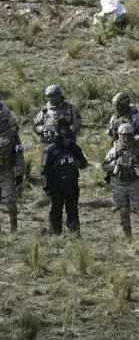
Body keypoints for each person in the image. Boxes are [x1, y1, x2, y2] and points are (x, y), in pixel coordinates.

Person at [38, 88, 84, 236]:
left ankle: (74, 231)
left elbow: (78, 123)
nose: (52, 99)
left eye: (54, 96)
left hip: (69, 157)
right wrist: (43, 130)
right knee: (56, 206)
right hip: (51, 149)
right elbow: (35, 125)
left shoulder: (70, 109)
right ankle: (55, 232)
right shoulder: (45, 111)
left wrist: (68, 132)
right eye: (49, 97)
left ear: (59, 95)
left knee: (71, 206)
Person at [103, 121, 139, 238]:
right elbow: (105, 165)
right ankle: (128, 237)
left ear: (132, 134)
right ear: (119, 135)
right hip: (119, 182)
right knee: (123, 209)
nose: (125, 137)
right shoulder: (114, 149)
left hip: (135, 182)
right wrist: (115, 164)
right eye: (123, 135)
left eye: (128, 135)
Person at [0, 98, 18, 232]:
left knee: (10, 201)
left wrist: (20, 172)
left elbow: (19, 152)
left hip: (7, 171)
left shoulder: (12, 134)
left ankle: (13, 228)